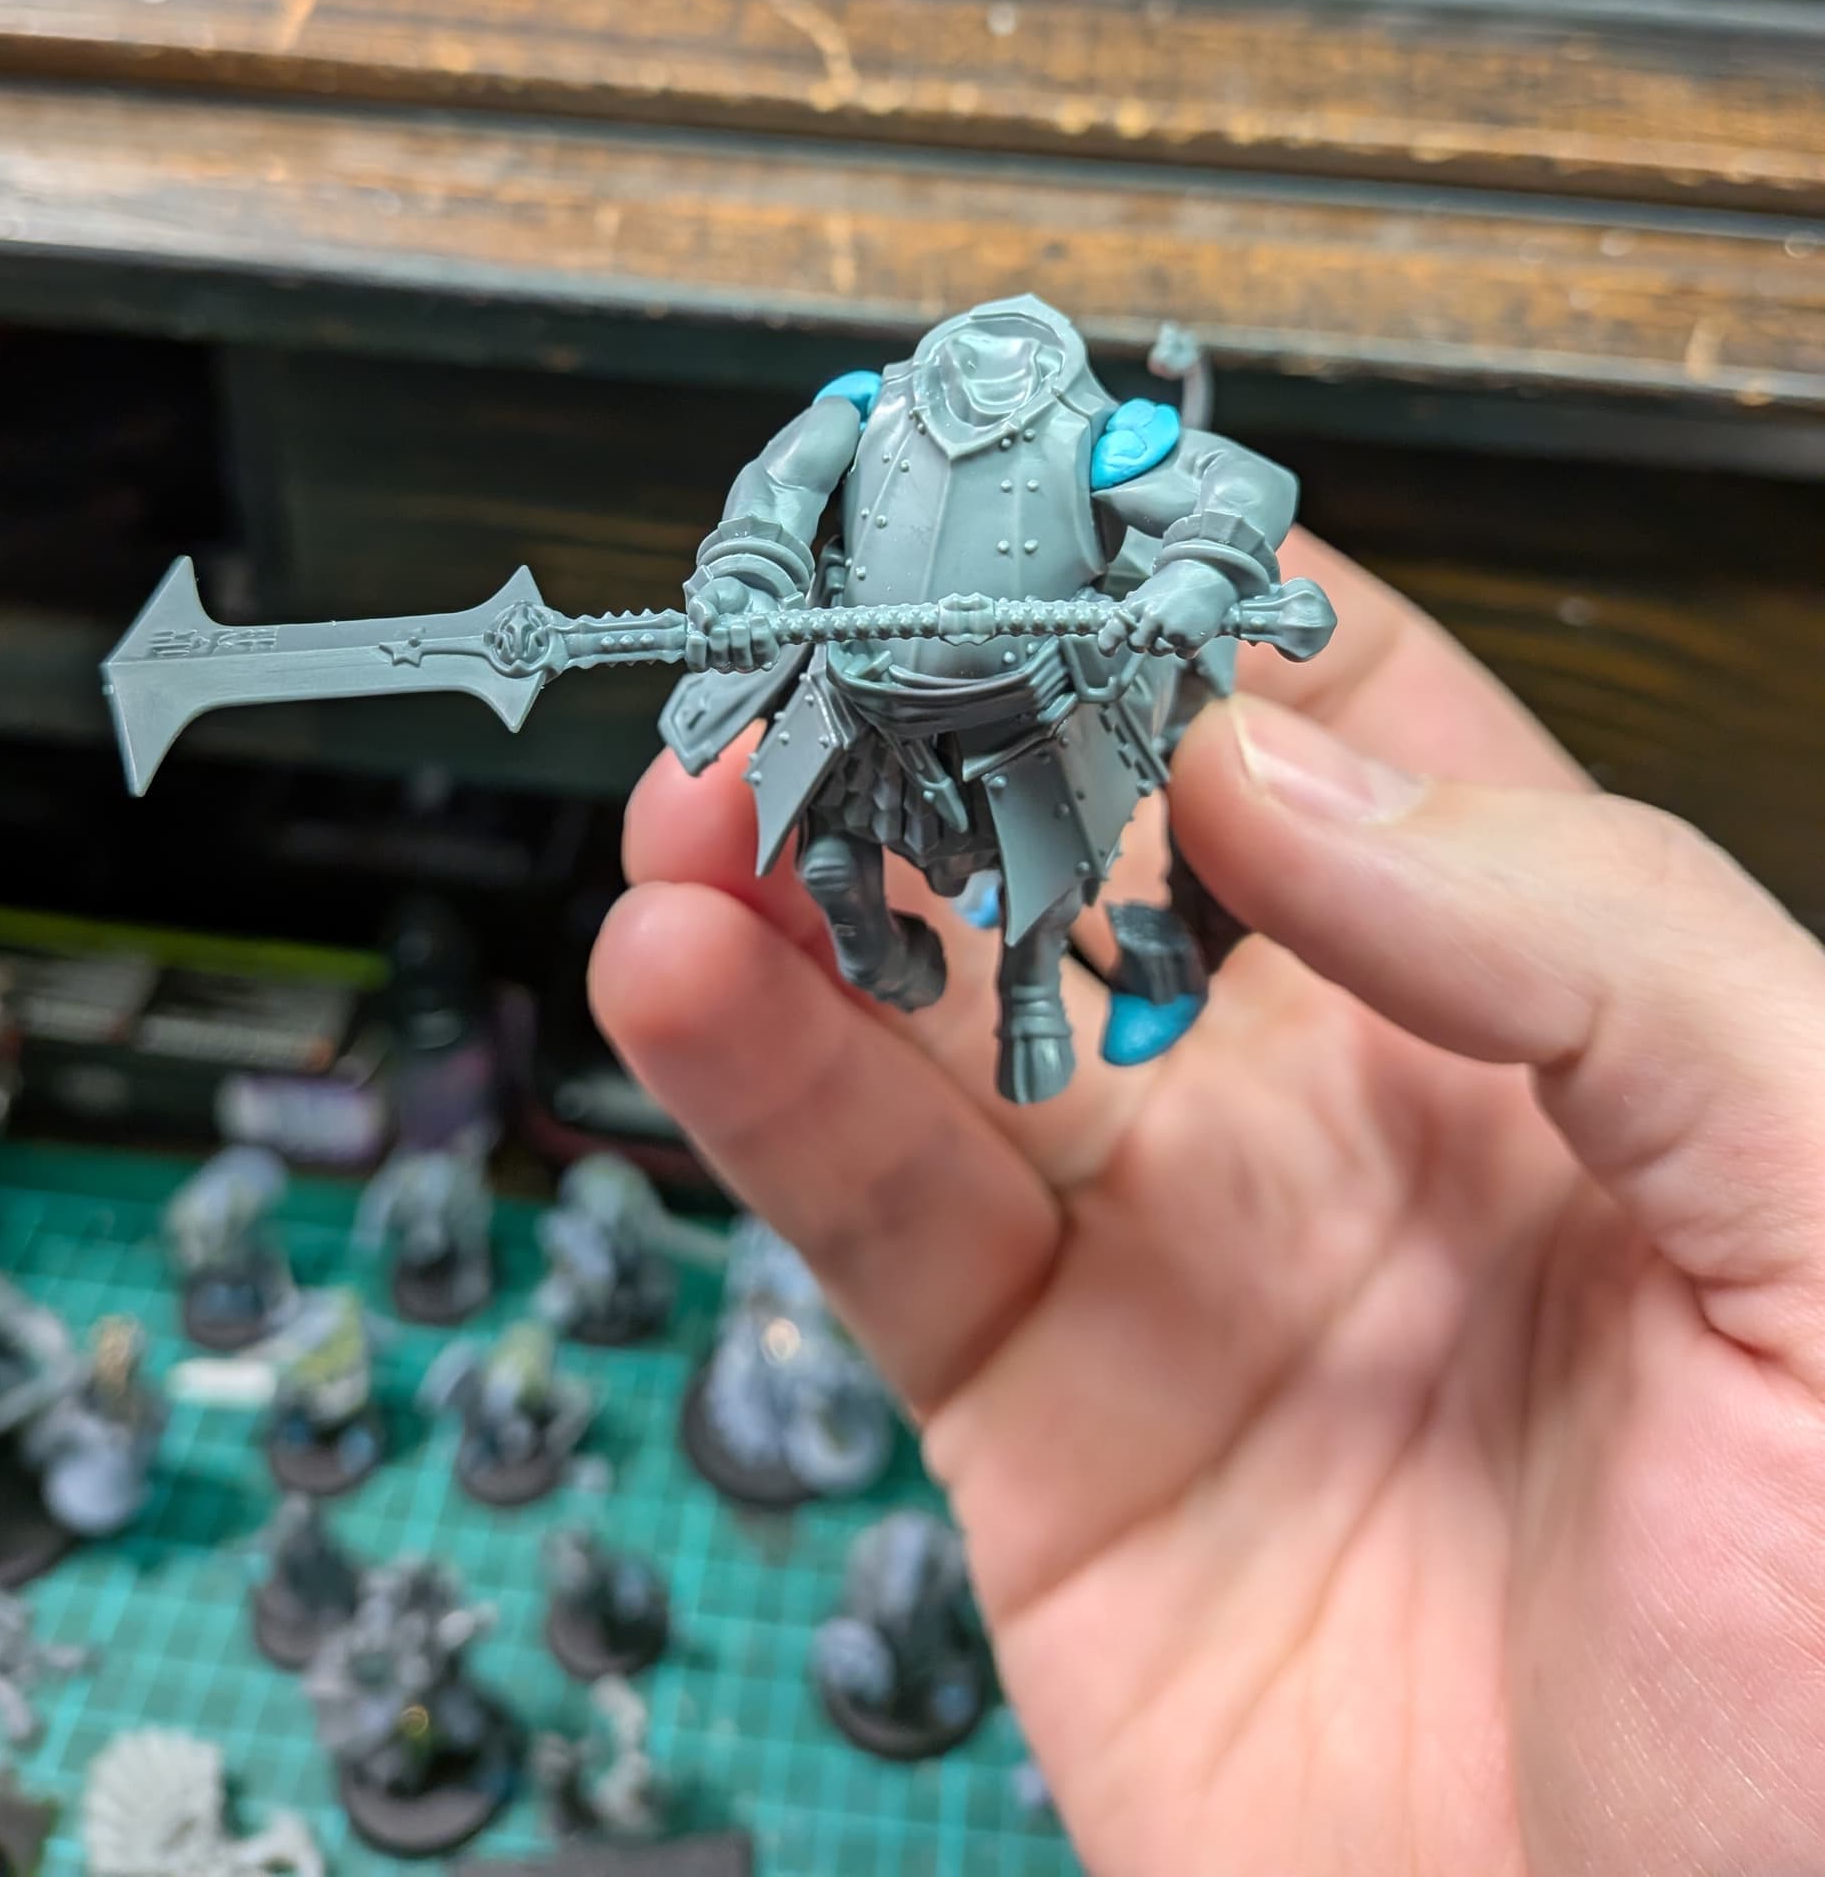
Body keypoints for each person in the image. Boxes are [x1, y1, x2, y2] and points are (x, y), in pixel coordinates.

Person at [590, 528, 1825, 1877]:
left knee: (1112, 855)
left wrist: (1192, 590)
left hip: (1080, 749)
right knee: (857, 869)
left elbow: (1220, 541)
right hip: (948, 763)